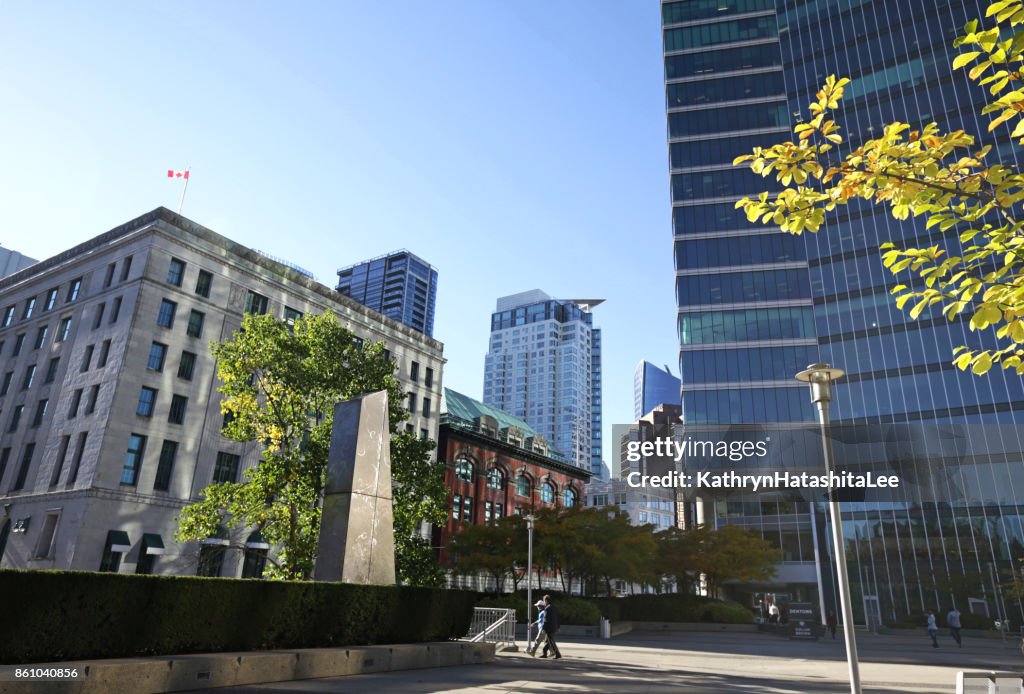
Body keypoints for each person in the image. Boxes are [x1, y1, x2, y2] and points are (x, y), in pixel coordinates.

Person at [539, 595, 562, 659]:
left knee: (551, 641)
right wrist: (558, 626)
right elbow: (558, 618)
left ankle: (557, 654)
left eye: (544, 600)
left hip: (549, 627)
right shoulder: (555, 607)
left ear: (546, 600)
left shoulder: (547, 608)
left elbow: (545, 619)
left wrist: (543, 628)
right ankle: (544, 653)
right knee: (548, 641)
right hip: (554, 627)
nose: (544, 602)